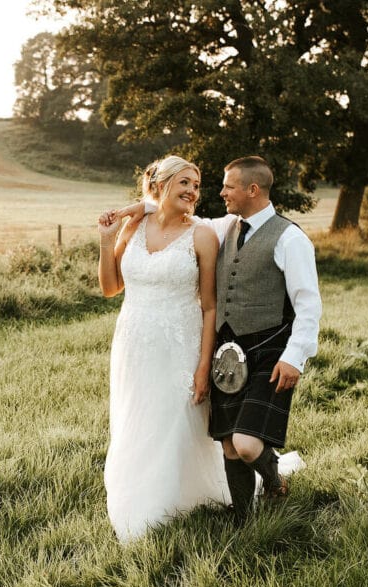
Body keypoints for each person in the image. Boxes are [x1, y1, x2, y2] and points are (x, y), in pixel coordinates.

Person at [117, 155, 321, 525]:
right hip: (229, 353)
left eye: (228, 186)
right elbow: (171, 212)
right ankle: (243, 518)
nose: (220, 191)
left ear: (252, 190)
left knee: (245, 445)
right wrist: (141, 205)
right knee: (228, 442)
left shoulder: (290, 238)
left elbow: (309, 304)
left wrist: (295, 357)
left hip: (271, 353)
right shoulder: (226, 226)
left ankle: (273, 478)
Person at [97, 155, 230, 542]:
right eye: (185, 183)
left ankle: (175, 499)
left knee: (174, 422)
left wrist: (204, 366)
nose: (192, 191)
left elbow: (209, 306)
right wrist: (107, 241)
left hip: (180, 344)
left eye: (196, 185)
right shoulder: (135, 225)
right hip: (133, 342)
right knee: (137, 416)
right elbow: (110, 288)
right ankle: (137, 492)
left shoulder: (202, 235)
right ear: (162, 183)